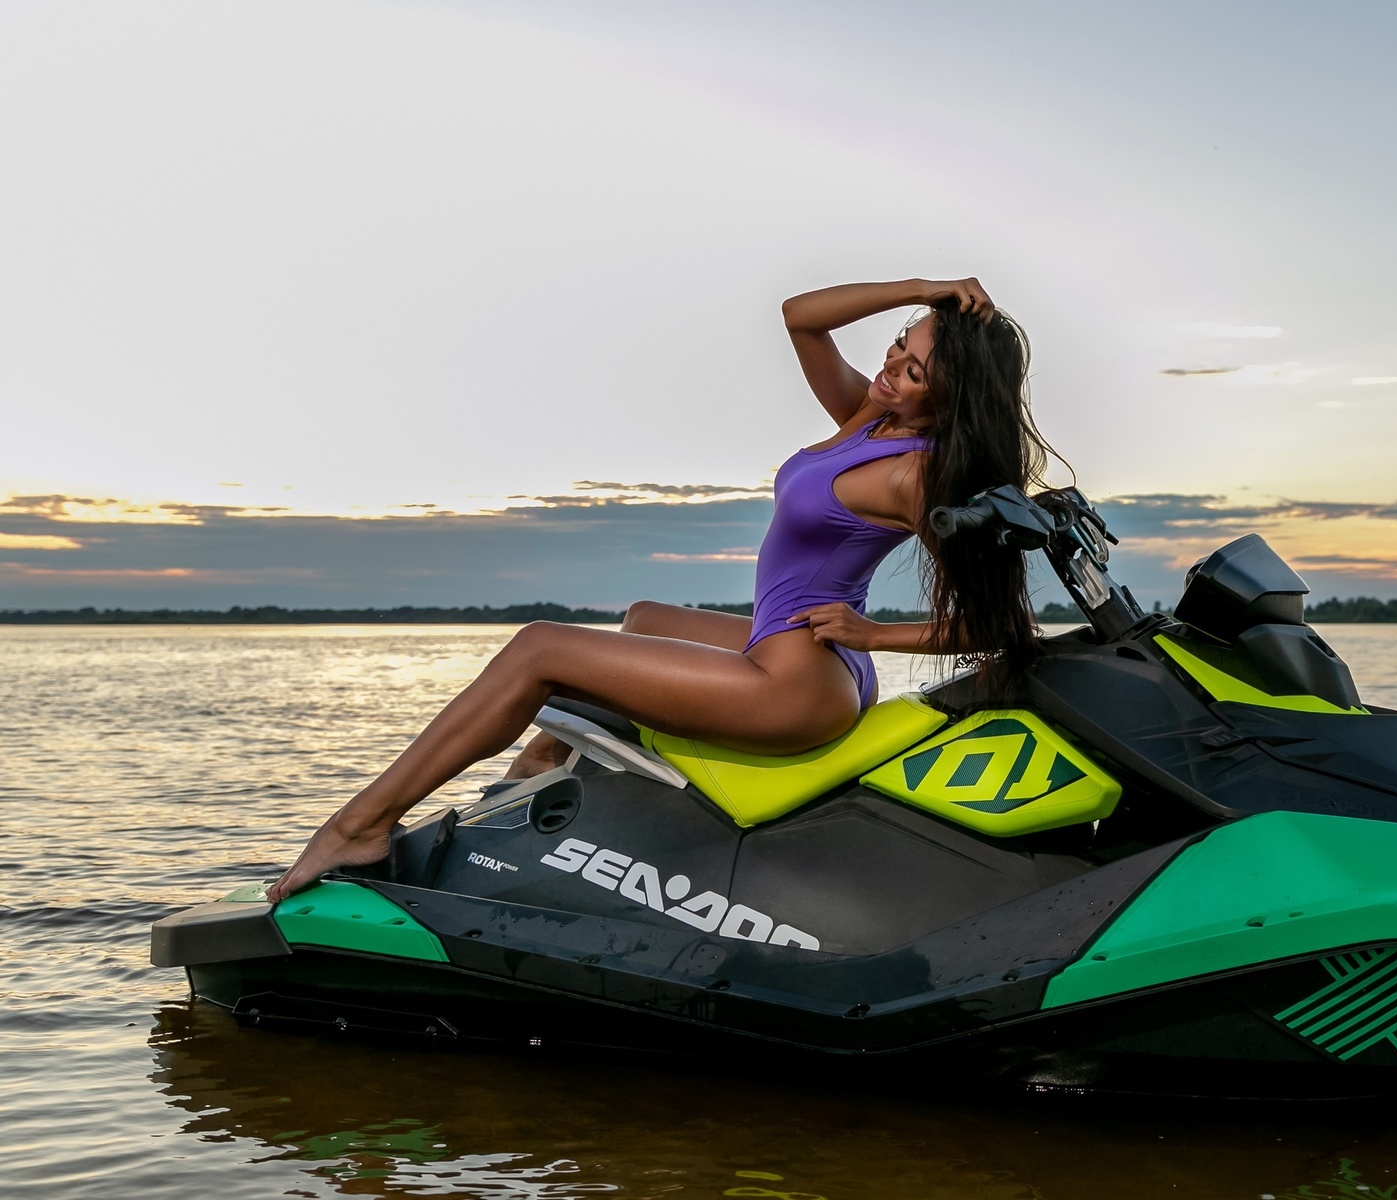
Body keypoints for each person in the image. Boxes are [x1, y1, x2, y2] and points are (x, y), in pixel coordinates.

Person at [266, 277, 1053, 902]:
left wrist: (875, 633)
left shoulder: (917, 470)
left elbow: (1001, 625)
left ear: (948, 400)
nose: (891, 368)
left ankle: (361, 826)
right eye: (897, 346)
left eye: (914, 371)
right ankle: (534, 773)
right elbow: (800, 317)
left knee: (540, 647)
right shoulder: (865, 417)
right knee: (640, 618)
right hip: (786, 646)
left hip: (793, 685)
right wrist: (925, 288)